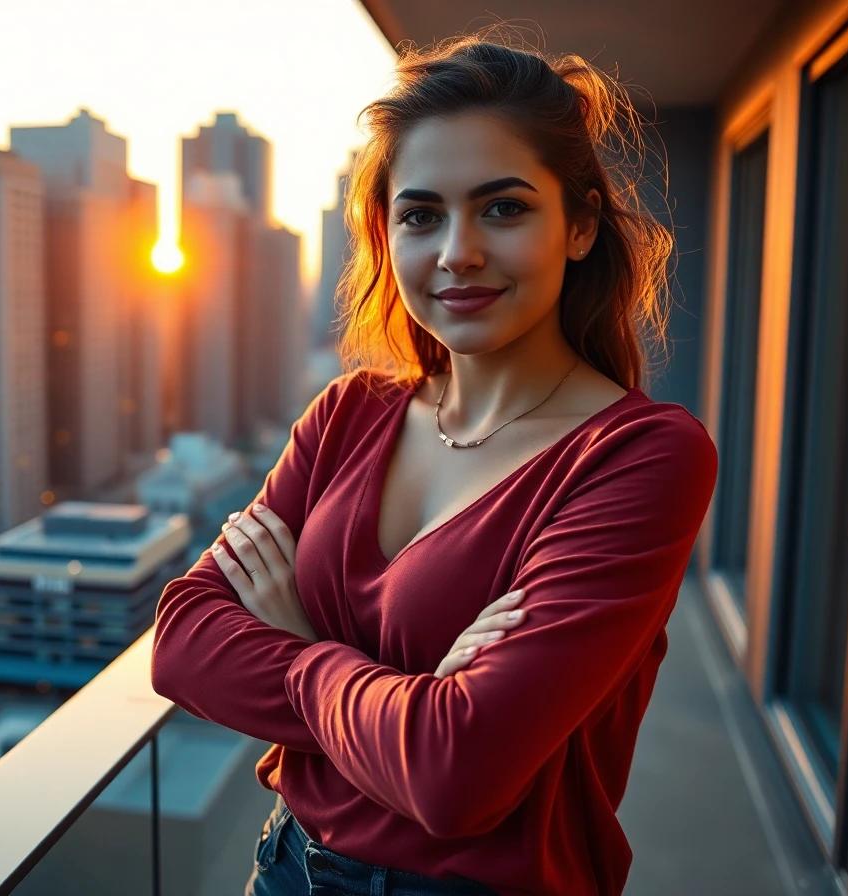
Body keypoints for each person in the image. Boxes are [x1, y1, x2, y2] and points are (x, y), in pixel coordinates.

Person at [151, 31, 718, 896]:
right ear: (389, 238)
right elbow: (183, 641)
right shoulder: (350, 414)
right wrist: (403, 697)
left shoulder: (639, 457)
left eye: (503, 208)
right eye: (421, 216)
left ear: (580, 227)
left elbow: (457, 774)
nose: (457, 251)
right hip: (288, 867)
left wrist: (300, 641)